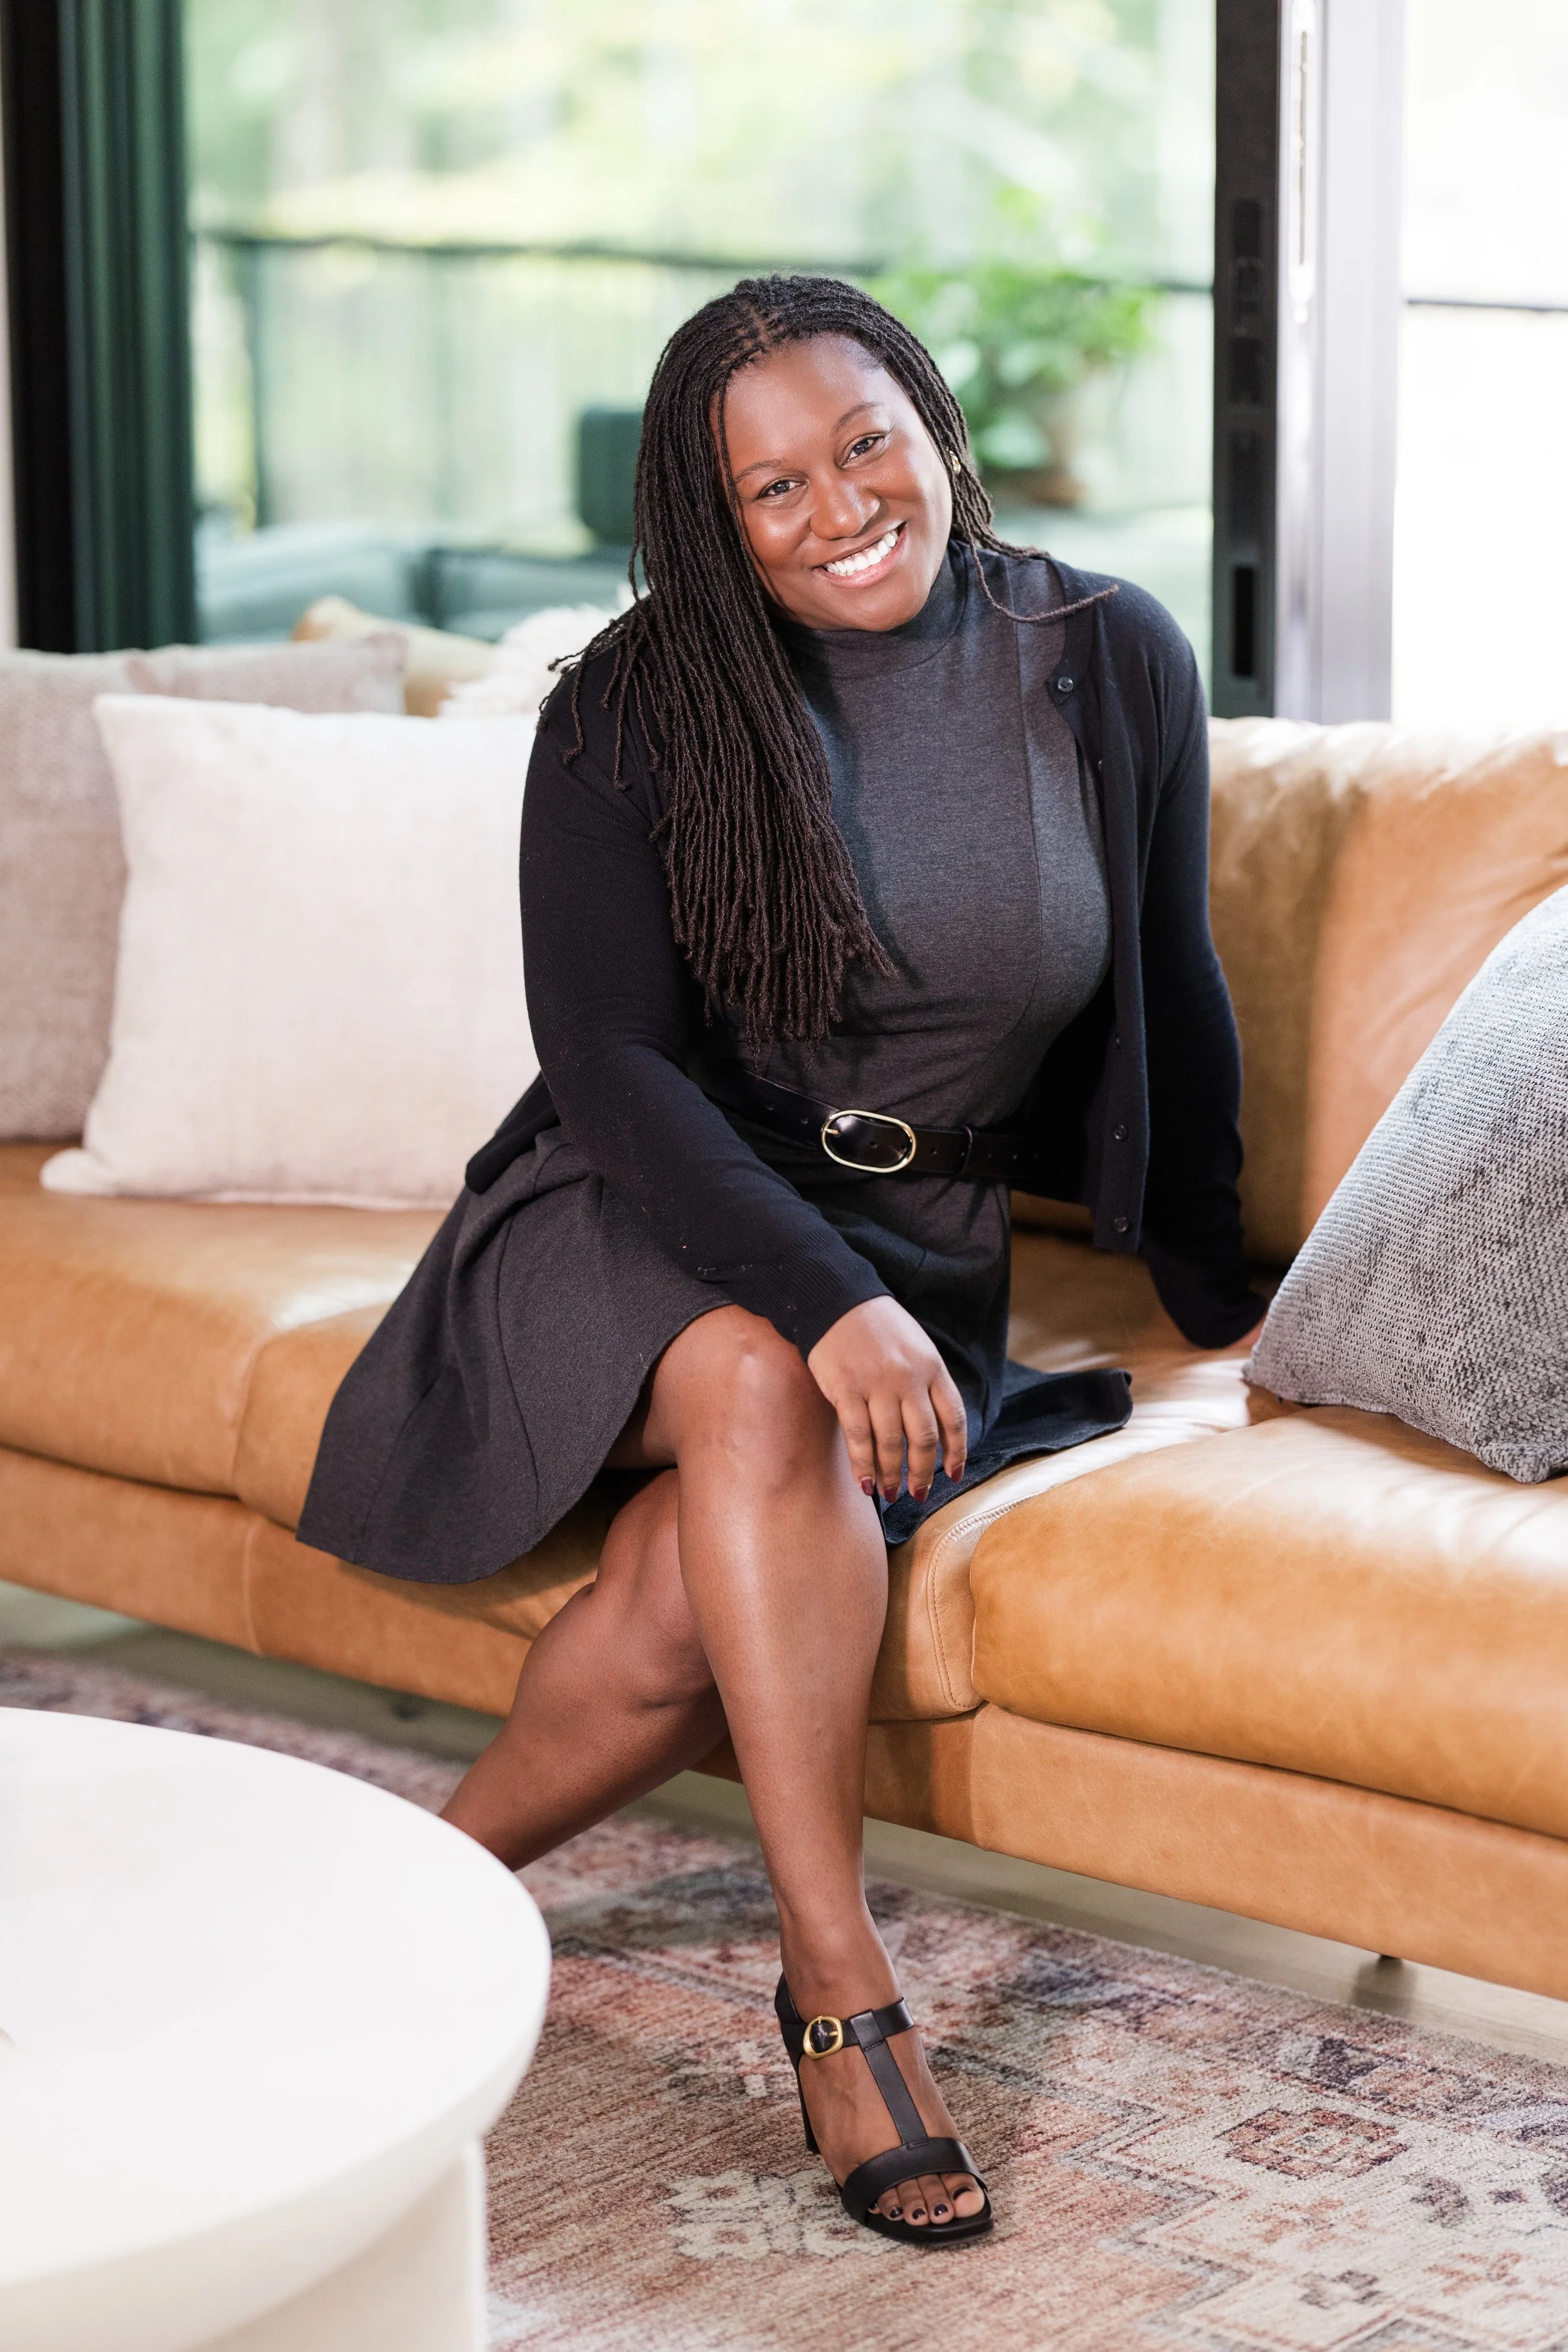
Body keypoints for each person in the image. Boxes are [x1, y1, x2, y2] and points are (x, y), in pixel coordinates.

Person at [298, 273, 1263, 2248]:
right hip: (639, 1206)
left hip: (919, 1243)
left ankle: (398, 1904)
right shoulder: (635, 706)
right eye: (768, 487)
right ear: (704, 516)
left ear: (928, 418)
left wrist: (1237, 1301)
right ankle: (841, 1993)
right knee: (755, 1376)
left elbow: (1171, 982)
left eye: (861, 443)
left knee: (673, 1601)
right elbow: (612, 1068)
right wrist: (831, 1304)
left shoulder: (1101, 653)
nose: (837, 507)